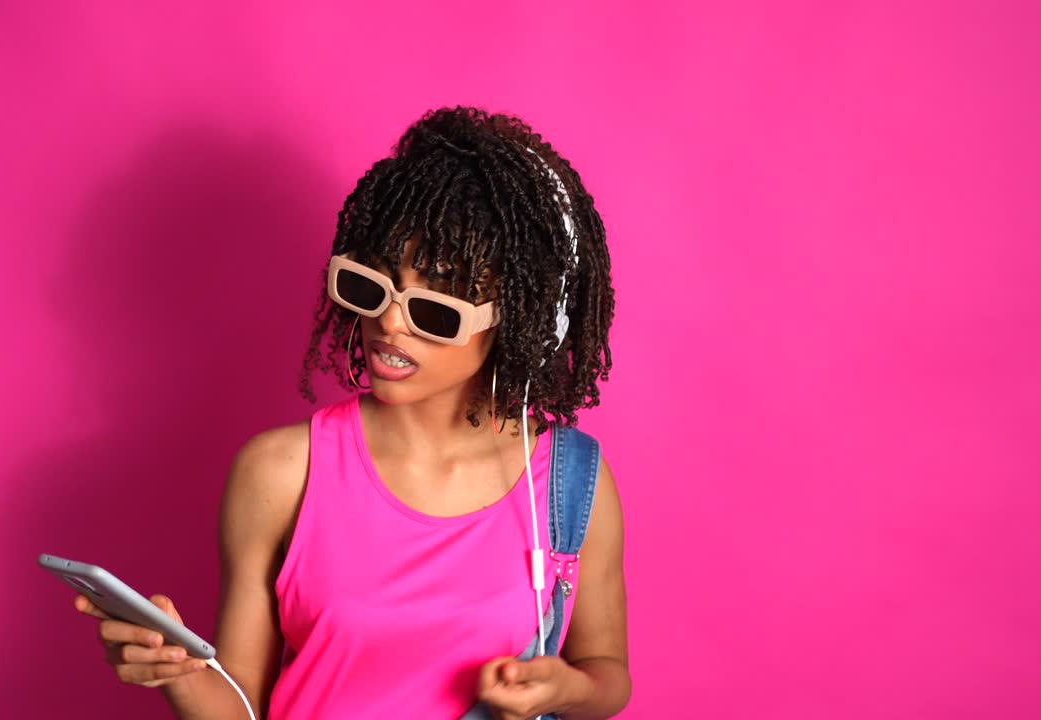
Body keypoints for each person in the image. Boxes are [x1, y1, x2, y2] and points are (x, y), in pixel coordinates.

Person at [73, 105, 630, 719]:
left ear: (524, 325)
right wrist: (176, 673)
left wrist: (566, 690)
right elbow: (239, 707)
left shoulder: (568, 486)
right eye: (370, 285)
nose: (389, 322)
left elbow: (607, 672)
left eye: (436, 309)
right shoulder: (280, 471)